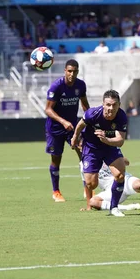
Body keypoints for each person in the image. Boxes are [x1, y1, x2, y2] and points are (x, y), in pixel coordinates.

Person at [71, 90, 128, 217]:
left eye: (114, 105)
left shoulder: (122, 116)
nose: (111, 108)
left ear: (119, 104)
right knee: (92, 184)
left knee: (119, 175)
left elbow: (120, 141)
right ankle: (97, 199)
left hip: (109, 146)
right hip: (91, 148)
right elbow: (80, 124)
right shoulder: (93, 113)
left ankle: (114, 207)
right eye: (108, 104)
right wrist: (75, 137)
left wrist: (106, 140)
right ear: (103, 104)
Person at [44, 59, 90, 202]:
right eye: (69, 71)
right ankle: (56, 191)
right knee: (56, 159)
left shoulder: (80, 85)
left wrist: (91, 120)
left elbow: (84, 105)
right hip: (55, 128)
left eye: (75, 71)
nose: (72, 74)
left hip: (73, 126)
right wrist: (63, 122)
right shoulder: (56, 87)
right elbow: (48, 109)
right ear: (65, 71)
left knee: (83, 153)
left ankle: (87, 188)